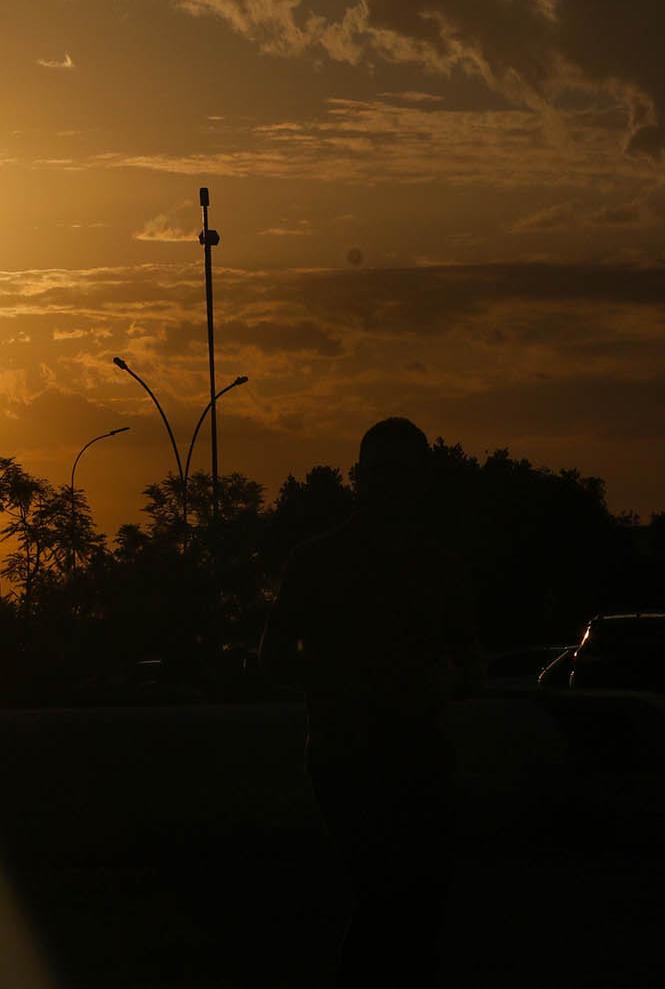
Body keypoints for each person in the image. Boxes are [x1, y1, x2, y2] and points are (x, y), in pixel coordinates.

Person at [260, 417, 481, 988]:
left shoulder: (441, 566)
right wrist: (346, 683)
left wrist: (440, 686)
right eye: (380, 472)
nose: (391, 485)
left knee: (422, 907)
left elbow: (471, 662)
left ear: (423, 479)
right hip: (347, 756)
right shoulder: (316, 561)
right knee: (386, 898)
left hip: (420, 756)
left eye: (402, 472)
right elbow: (272, 657)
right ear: (360, 478)